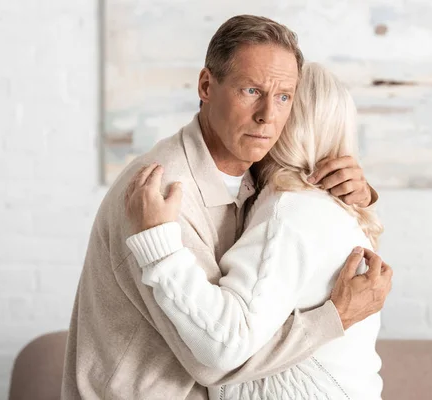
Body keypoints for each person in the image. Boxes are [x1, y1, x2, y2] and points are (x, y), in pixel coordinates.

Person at [61, 15, 392, 399]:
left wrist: (354, 192)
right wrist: (335, 317)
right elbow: (218, 360)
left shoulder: (255, 178)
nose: (268, 115)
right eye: (251, 91)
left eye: (284, 97)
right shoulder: (164, 194)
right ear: (206, 85)